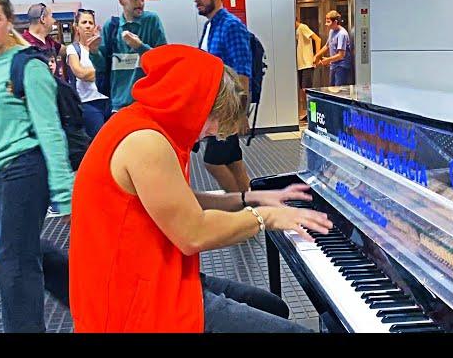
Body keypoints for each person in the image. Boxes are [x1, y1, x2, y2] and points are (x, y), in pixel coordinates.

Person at [69, 44, 333, 332]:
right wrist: (266, 218)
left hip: (149, 274)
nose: (212, 132)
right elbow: (193, 234)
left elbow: (182, 203)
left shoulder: (144, 124)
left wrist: (250, 198)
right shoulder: (145, 142)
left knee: (273, 306)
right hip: (134, 302)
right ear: (194, 103)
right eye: (215, 120)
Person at [0, 0, 74, 333]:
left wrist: (65, 195)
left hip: (29, 168)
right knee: (25, 248)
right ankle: (90, 296)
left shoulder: (28, 66)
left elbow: (51, 132)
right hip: (7, 173)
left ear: (9, 20)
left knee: (14, 262)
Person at [191, 0, 252, 193]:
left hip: (226, 111)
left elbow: (243, 71)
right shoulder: (210, 26)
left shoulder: (231, 26)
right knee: (234, 162)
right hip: (215, 108)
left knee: (213, 162)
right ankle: (252, 208)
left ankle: (238, 208)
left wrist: (241, 113)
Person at [87, 0, 167, 114]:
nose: (140, 4)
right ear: (121, 1)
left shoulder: (152, 20)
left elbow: (163, 61)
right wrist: (94, 51)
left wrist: (140, 47)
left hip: (148, 103)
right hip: (119, 105)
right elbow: (102, 67)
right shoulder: (111, 27)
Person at [65, 9, 109, 138]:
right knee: (99, 139)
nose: (88, 25)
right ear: (76, 27)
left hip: (107, 100)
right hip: (88, 104)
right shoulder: (73, 49)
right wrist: (101, 72)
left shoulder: (102, 48)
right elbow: (81, 73)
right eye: (84, 22)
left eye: (91, 22)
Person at [313, 10, 353, 86]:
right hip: (334, 65)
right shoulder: (332, 31)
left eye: (328, 22)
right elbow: (327, 45)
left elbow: (341, 55)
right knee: (332, 88)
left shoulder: (342, 34)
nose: (326, 24)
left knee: (338, 90)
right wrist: (316, 56)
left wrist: (328, 60)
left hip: (342, 67)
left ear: (335, 22)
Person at [295, 18, 322, 120]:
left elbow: (317, 39)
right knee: (303, 90)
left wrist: (317, 56)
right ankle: (308, 113)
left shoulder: (303, 27)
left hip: (307, 63)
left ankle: (313, 114)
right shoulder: (297, 30)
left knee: (307, 90)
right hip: (301, 64)